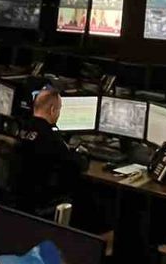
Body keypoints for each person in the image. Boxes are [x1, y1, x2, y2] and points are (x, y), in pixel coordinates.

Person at [14, 88, 109, 234]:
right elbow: (77, 165)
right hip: (43, 204)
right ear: (53, 110)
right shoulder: (51, 137)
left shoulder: (21, 129)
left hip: (21, 202)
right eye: (59, 110)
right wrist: (82, 155)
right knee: (92, 196)